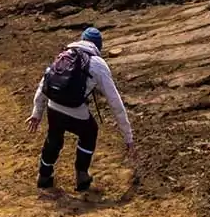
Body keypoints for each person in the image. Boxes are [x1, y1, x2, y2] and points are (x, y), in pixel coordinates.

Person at [29, 27, 133, 192]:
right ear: (98, 46)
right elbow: (115, 102)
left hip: (53, 105)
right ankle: (81, 175)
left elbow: (45, 82)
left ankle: (44, 175)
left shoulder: (64, 54)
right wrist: (128, 135)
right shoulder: (98, 64)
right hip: (75, 108)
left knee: (54, 137)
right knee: (90, 132)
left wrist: (36, 112)